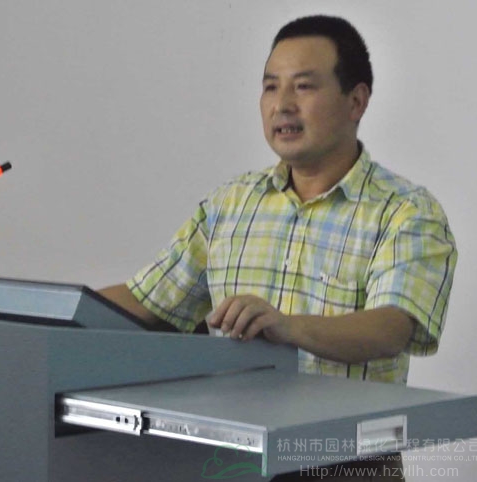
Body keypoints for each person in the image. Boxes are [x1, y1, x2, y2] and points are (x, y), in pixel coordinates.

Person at [100, 15, 456, 481]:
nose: (282, 105)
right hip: (231, 460)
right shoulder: (230, 204)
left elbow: (391, 327)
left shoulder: (406, 211)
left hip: (345, 463)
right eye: (271, 87)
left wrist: (288, 327)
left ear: (356, 101)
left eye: (303, 86)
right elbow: (148, 300)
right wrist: (38, 311)